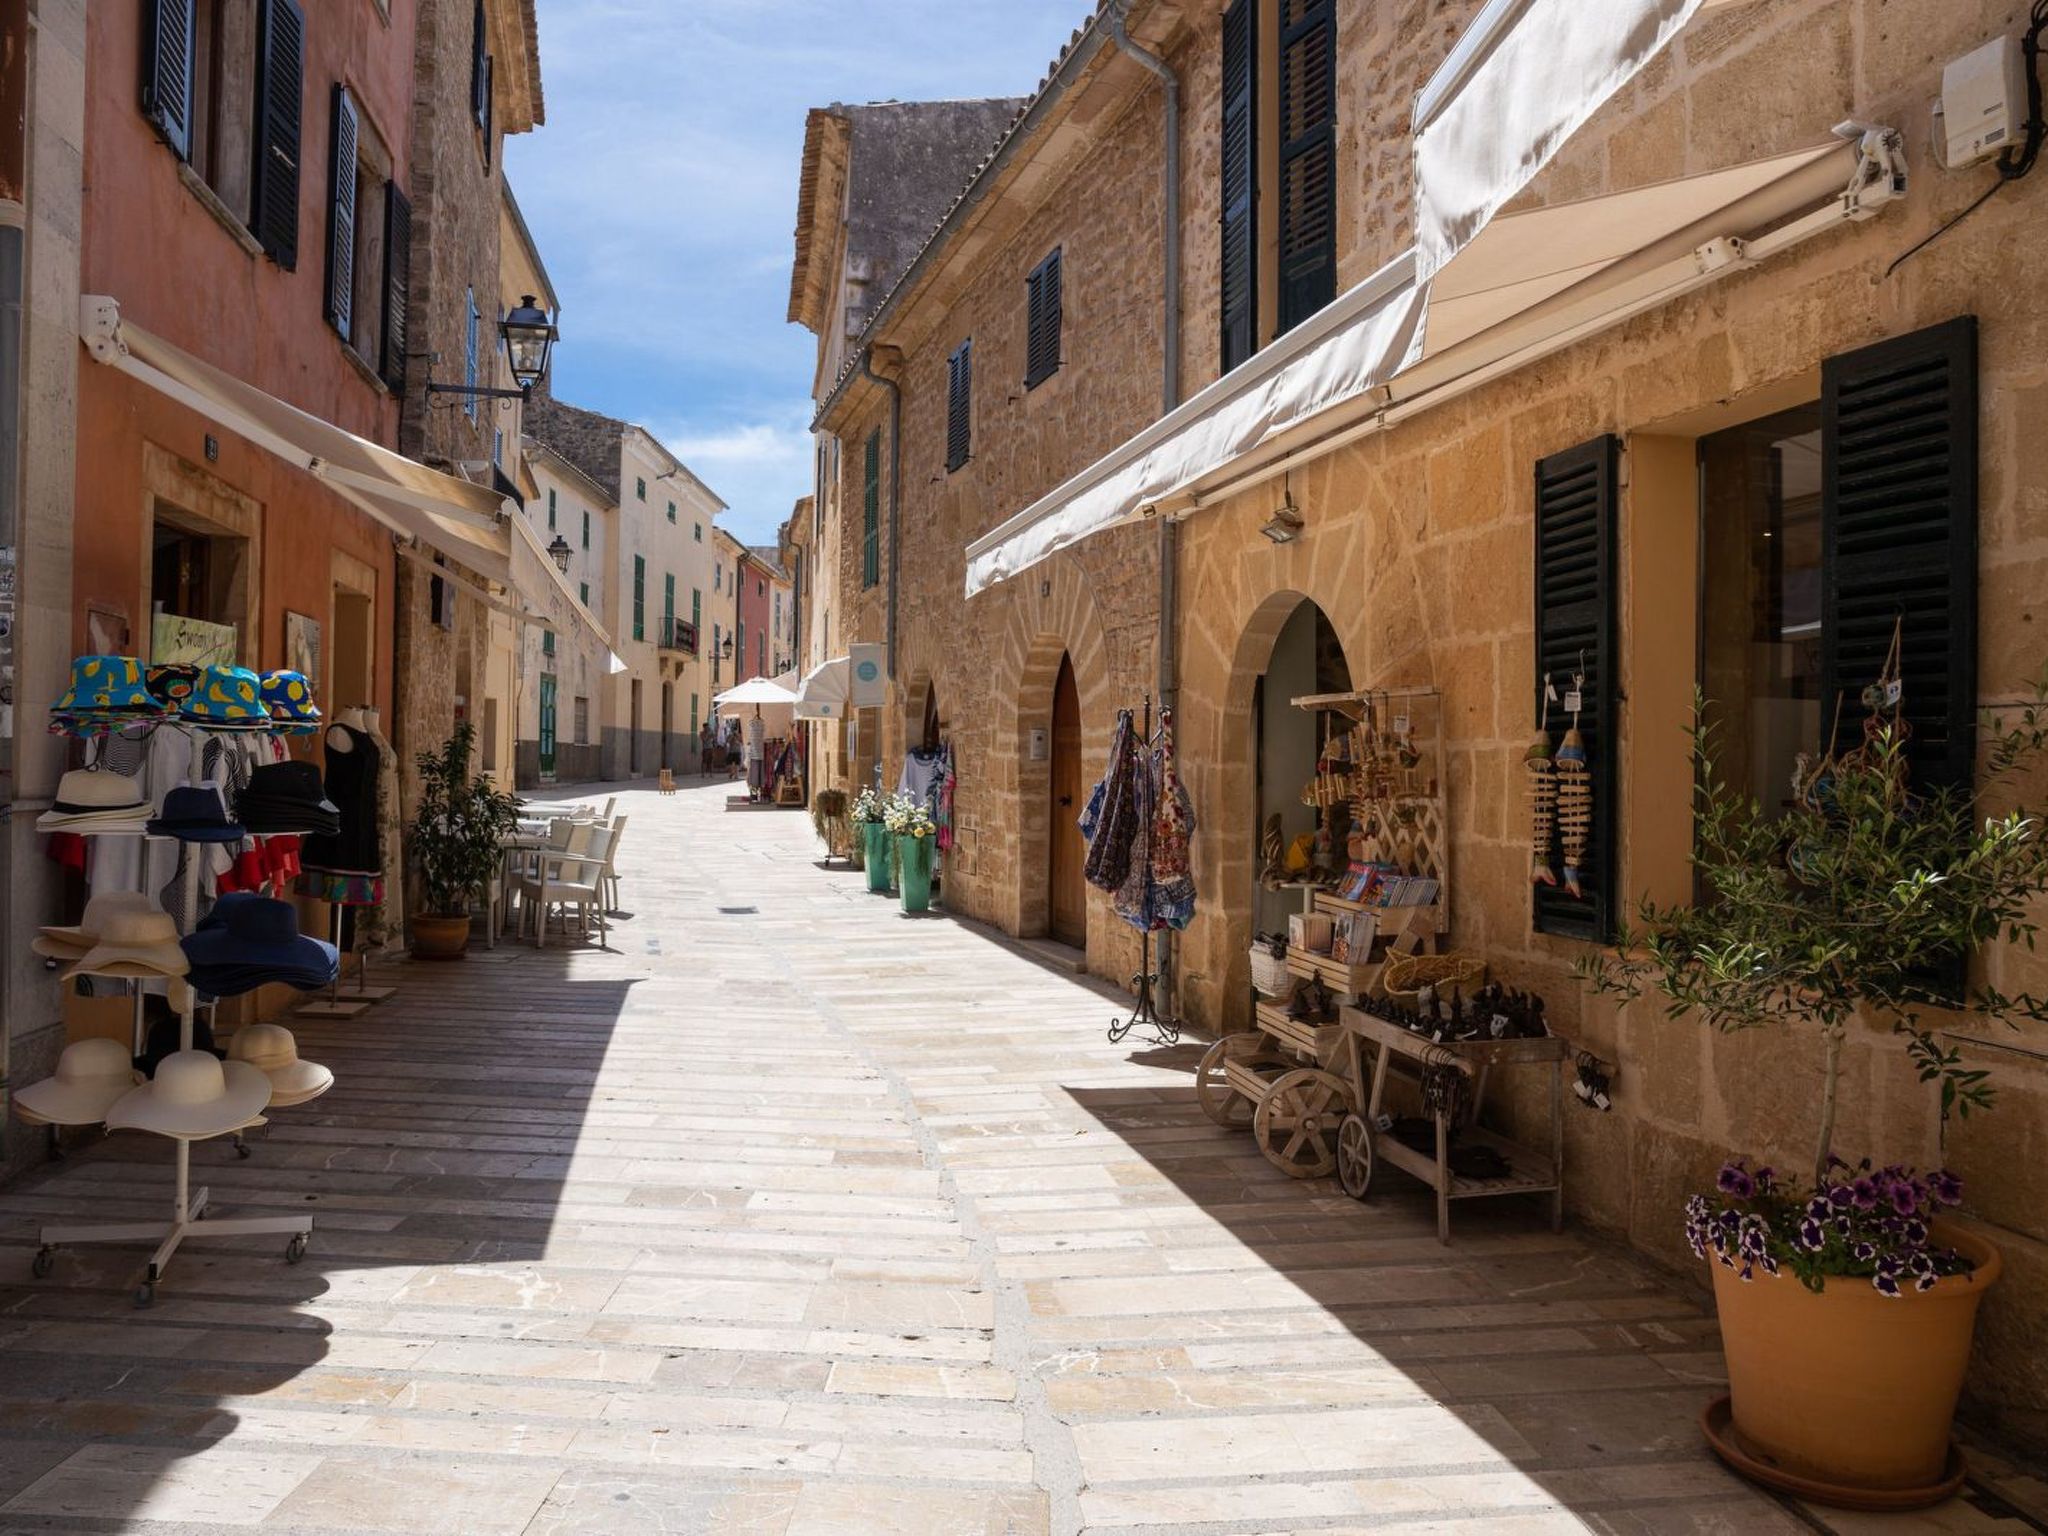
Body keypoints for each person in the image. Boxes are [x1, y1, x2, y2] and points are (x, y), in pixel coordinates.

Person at [745, 707, 766, 802]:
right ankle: (756, 793)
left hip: (756, 754)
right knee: (756, 776)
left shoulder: (752, 723)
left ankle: (755, 794)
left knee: (754, 776)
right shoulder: (759, 723)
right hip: (758, 754)